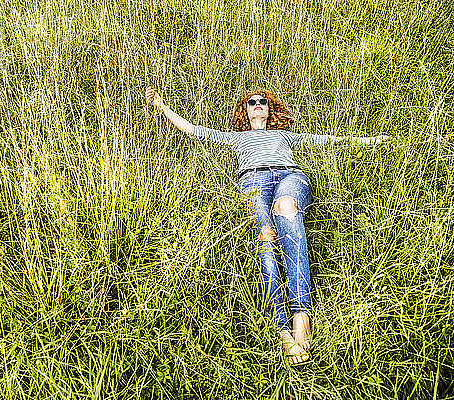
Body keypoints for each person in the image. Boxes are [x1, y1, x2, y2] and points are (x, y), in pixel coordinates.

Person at [145, 87, 391, 365]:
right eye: (252, 102)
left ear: (269, 109)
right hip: (253, 182)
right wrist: (161, 105)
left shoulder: (285, 135)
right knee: (266, 239)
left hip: (290, 177)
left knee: (286, 208)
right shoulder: (237, 139)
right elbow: (192, 129)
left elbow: (328, 140)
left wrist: (374, 140)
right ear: (245, 110)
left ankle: (301, 317)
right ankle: (282, 329)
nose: (258, 105)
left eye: (263, 102)